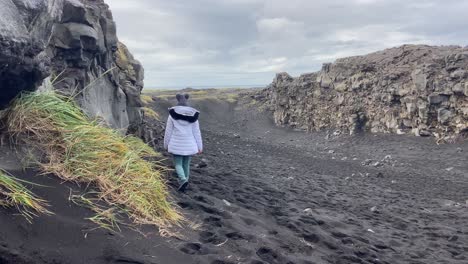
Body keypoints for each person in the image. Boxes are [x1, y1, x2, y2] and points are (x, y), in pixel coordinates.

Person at [164, 93, 203, 192]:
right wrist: (200, 146)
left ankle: (182, 179)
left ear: (178, 103)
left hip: (176, 144)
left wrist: (166, 144)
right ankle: (185, 182)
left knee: (178, 163)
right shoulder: (193, 116)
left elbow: (168, 131)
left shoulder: (172, 115)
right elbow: (197, 132)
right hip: (189, 144)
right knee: (186, 164)